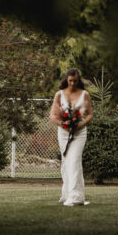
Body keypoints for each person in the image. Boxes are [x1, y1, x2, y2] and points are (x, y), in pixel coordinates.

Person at [49, 68, 93, 206]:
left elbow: (90, 114)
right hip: (63, 133)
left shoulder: (84, 94)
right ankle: (73, 195)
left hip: (79, 133)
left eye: (75, 81)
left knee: (74, 160)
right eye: (70, 81)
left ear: (78, 80)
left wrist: (81, 124)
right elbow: (53, 116)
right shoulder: (59, 95)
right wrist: (64, 124)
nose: (72, 83)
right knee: (67, 163)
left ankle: (74, 197)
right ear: (66, 80)